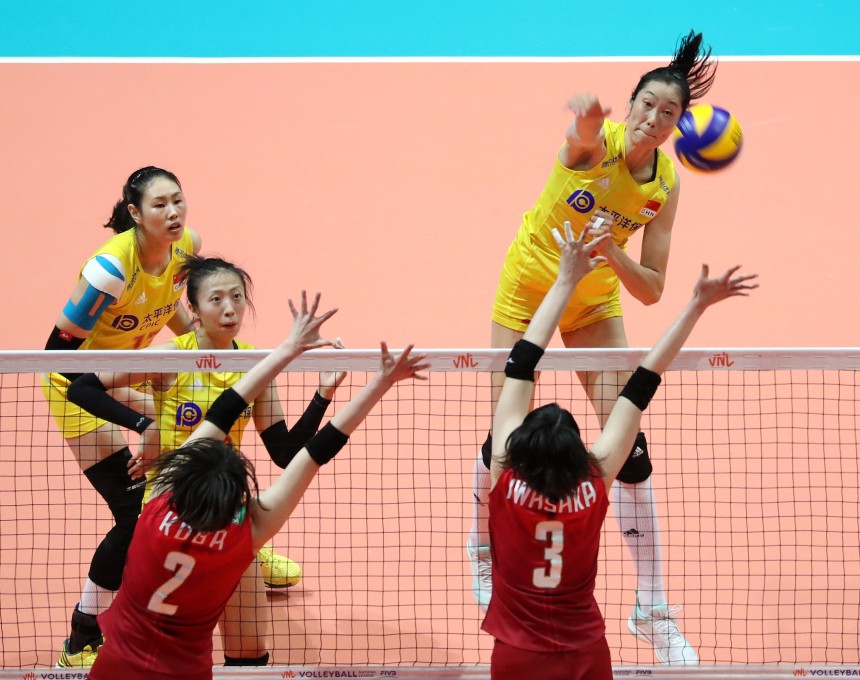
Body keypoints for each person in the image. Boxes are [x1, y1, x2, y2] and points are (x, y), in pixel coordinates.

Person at [470, 30, 717, 664]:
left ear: (678, 125)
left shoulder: (666, 184)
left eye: (669, 114)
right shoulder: (595, 148)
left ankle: (651, 607)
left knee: (628, 445)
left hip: (596, 297)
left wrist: (611, 255)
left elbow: (655, 289)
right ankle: (484, 553)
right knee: (508, 435)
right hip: (530, 287)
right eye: (646, 106)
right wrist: (586, 121)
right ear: (630, 104)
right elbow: (578, 142)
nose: (653, 121)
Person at [85, 291, 429, 680]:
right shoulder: (243, 536)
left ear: (182, 474)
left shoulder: (157, 505)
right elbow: (313, 455)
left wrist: (286, 349)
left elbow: (224, 410)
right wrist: (380, 383)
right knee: (248, 645)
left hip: (115, 669)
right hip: (184, 673)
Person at [482, 219, 755, 679]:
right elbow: (646, 377)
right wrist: (696, 305)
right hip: (585, 654)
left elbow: (522, 361)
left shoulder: (504, 478)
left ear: (519, 449)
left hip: (515, 654)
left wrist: (565, 277)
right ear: (579, 453)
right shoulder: (594, 482)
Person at [66, 255, 347, 666]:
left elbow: (285, 452)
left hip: (226, 513)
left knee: (250, 648)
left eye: (236, 297)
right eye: (216, 299)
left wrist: (323, 394)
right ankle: (82, 635)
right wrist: (146, 424)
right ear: (193, 310)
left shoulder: (255, 364)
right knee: (158, 650)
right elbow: (83, 388)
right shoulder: (170, 358)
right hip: (169, 512)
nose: (230, 308)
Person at [41, 166, 201, 667]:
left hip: (132, 375)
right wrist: (143, 427)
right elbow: (59, 360)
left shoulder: (186, 246)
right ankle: (82, 637)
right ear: (135, 213)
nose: (173, 213)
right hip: (79, 389)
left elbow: (169, 303)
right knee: (132, 515)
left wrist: (202, 349)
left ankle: (241, 557)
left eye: (177, 201)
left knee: (207, 446)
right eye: (159, 205)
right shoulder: (110, 271)